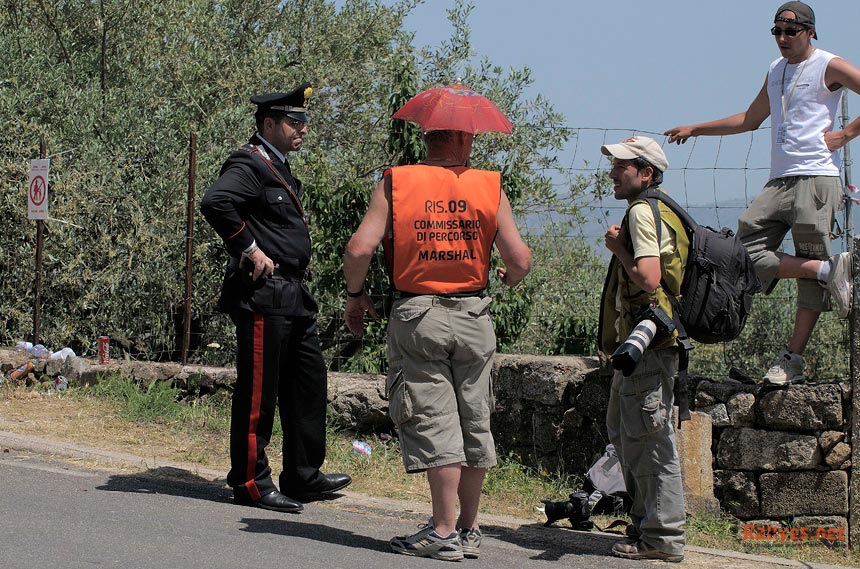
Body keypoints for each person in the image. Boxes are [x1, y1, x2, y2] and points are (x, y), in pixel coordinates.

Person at [343, 128, 532, 561]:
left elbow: (359, 249)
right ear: (465, 141)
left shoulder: (397, 181)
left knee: (434, 419)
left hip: (418, 315)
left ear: (427, 138)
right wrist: (511, 278)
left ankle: (442, 531)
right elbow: (519, 259)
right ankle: (467, 528)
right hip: (473, 316)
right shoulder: (490, 184)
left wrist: (356, 295)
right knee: (474, 418)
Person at [665, 1, 858, 386]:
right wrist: (696, 129)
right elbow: (751, 119)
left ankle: (792, 360)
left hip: (817, 177)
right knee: (741, 253)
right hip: (779, 179)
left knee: (806, 268)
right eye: (777, 32)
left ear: (810, 32)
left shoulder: (828, 64)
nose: (783, 39)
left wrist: (845, 134)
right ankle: (828, 269)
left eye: (791, 32)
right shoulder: (775, 70)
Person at [200, 82, 350, 514]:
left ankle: (303, 475)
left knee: (308, 385)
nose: (302, 128)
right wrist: (249, 248)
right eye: (293, 121)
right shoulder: (250, 164)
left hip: (294, 296)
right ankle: (250, 481)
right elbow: (216, 201)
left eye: (304, 120)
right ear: (269, 123)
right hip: (265, 295)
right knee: (258, 395)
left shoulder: (278, 165)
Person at [599, 137, 686, 563]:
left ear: (646, 173)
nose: (613, 172)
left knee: (650, 441)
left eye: (622, 166)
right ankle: (644, 524)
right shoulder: (662, 206)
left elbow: (649, 279)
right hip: (643, 346)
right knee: (626, 432)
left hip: (649, 344)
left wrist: (618, 248)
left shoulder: (641, 212)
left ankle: (662, 537)